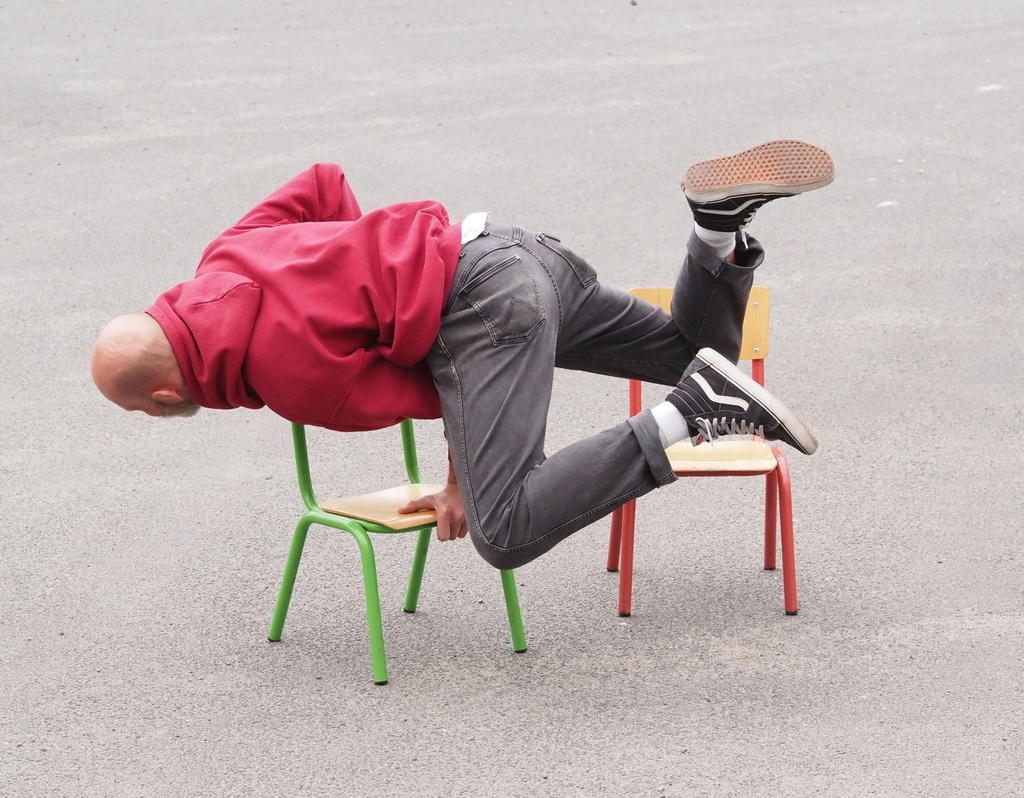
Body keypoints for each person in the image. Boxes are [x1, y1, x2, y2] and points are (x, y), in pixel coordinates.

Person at [91, 139, 834, 571]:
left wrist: (457, 485)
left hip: (487, 311)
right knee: (693, 349)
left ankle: (690, 414)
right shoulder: (223, 256)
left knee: (504, 530)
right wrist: (362, 267)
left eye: (133, 409)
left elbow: (443, 389)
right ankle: (713, 231)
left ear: (161, 396)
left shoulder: (284, 375)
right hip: (514, 250)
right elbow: (322, 182)